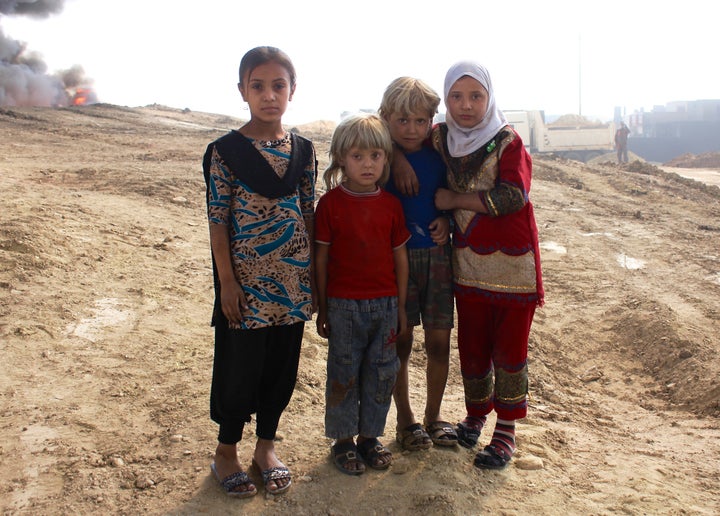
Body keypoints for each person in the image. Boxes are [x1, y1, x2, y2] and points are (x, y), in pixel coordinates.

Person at [392, 61, 544, 470]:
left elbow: (513, 196)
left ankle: (506, 431)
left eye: (476, 96)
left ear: (490, 97)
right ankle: (476, 415)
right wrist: (397, 159)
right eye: (456, 97)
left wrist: (454, 201)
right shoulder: (442, 138)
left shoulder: (508, 142)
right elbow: (387, 127)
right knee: (472, 346)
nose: (466, 106)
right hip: (464, 265)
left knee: (509, 350)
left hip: (512, 268)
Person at [202, 46, 317, 497]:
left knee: (281, 368)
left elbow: (309, 215)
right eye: (258, 86)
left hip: (293, 286)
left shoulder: (304, 151)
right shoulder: (225, 152)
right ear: (242, 91)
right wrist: (227, 283)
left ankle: (265, 448)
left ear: (292, 90)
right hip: (245, 290)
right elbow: (218, 221)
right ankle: (226, 451)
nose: (269, 95)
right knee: (239, 369)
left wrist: (315, 282)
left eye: (278, 85)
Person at [315, 113, 410, 475]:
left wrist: (400, 306)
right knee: (344, 372)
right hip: (343, 307)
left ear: (385, 157)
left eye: (375, 155)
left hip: (385, 306)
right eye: (358, 156)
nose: (367, 164)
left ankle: (370, 437)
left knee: (381, 372)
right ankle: (343, 441)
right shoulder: (331, 205)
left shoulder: (390, 205)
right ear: (341, 159)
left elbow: (399, 257)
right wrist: (323, 306)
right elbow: (321, 259)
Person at [378, 77, 458, 451]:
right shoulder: (378, 155)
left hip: (439, 258)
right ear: (387, 119)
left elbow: (450, 196)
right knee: (402, 342)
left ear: (432, 121)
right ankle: (406, 420)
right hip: (399, 262)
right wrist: (394, 156)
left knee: (440, 343)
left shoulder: (441, 151)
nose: (412, 129)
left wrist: (448, 221)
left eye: (421, 121)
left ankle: (434, 416)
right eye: (402, 121)